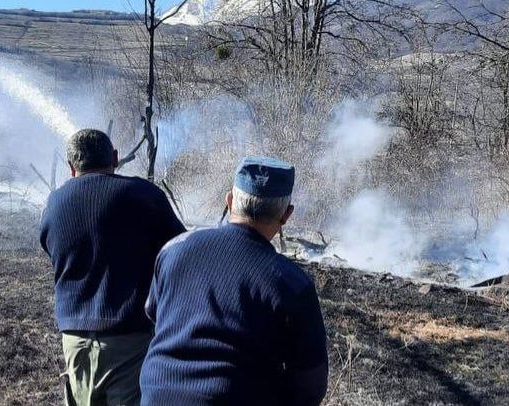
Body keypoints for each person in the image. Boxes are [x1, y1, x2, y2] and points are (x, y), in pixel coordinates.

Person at [140, 156, 328, 405]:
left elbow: (154, 317)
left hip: (157, 395)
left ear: (229, 201)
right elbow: (310, 386)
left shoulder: (174, 250)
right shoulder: (291, 284)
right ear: (286, 215)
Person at [39, 128, 185, 406]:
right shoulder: (144, 195)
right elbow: (180, 249)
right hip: (130, 340)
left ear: (71, 168)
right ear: (115, 158)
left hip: (74, 340)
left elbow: (49, 246)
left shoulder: (54, 204)